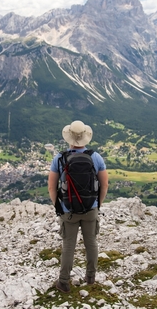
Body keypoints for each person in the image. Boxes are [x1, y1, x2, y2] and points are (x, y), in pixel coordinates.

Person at [48, 120, 109, 293]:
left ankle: (64, 282)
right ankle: (90, 277)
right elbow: (104, 185)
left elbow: (52, 187)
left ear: (69, 137)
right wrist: (98, 204)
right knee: (91, 242)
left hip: (68, 211)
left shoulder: (59, 158)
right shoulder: (95, 157)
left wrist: (58, 207)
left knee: (69, 245)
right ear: (85, 137)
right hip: (91, 209)